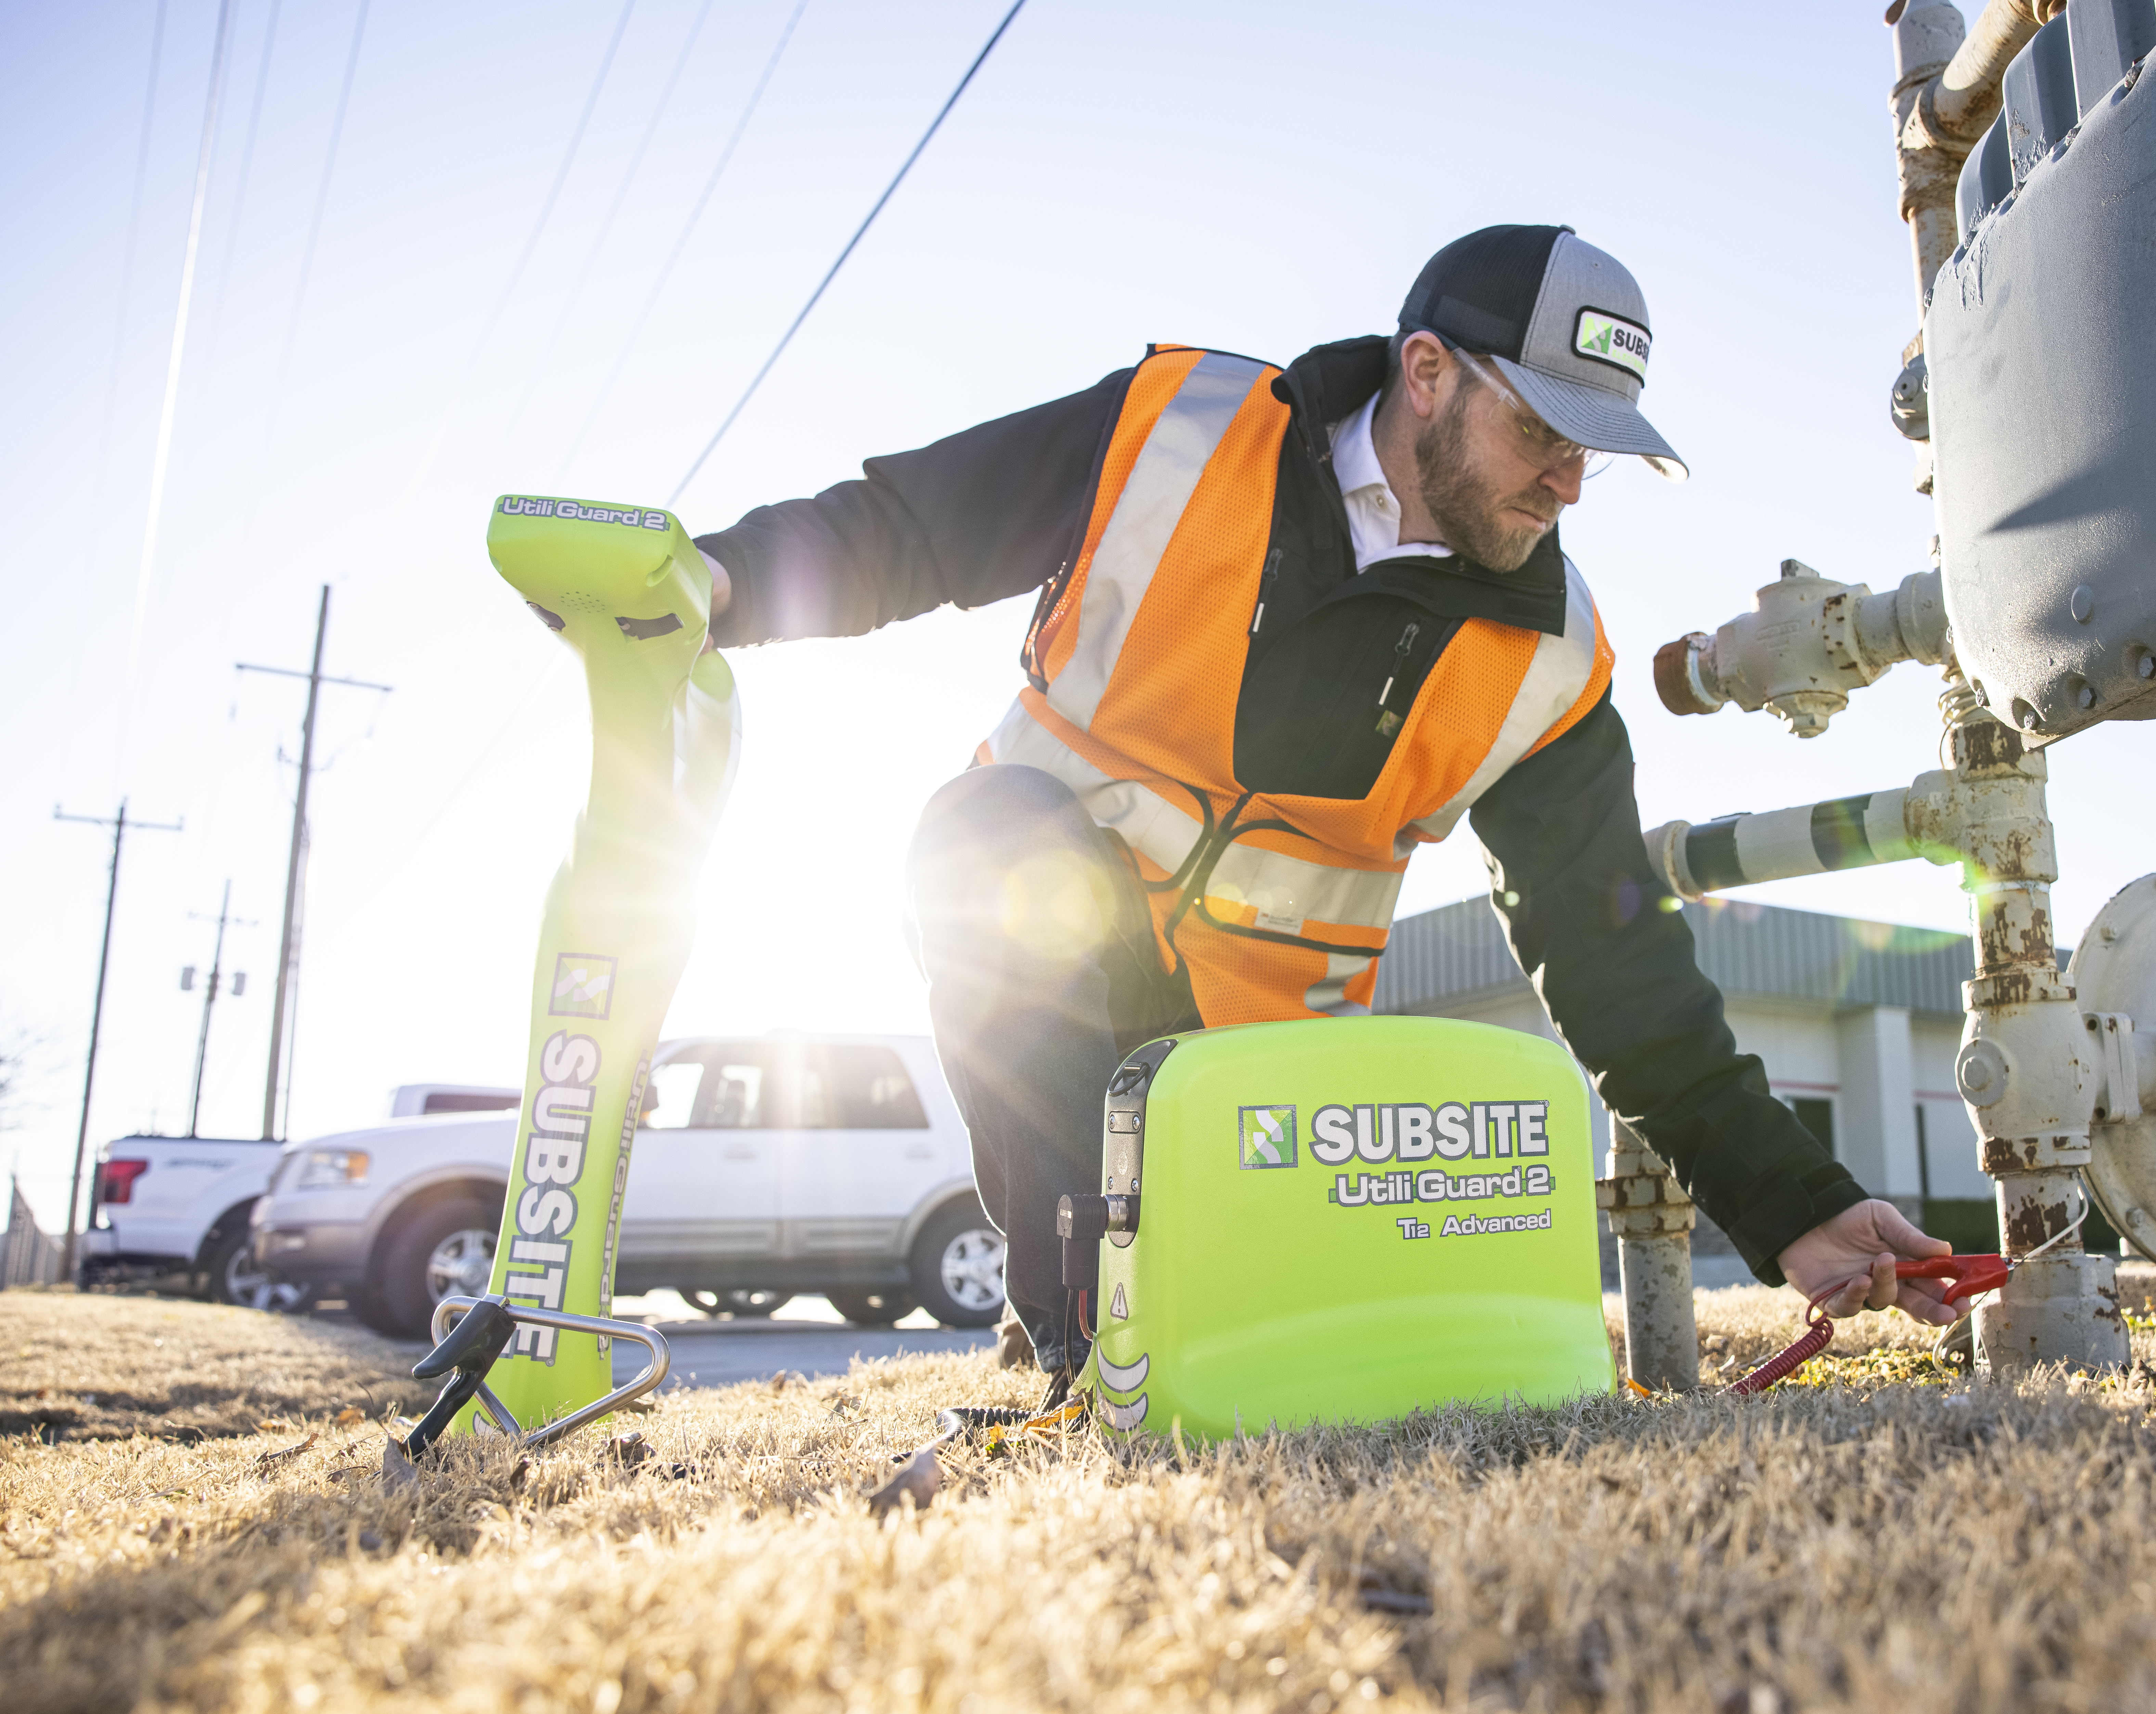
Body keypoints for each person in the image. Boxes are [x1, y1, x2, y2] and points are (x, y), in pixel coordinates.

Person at [693, 224, 1959, 1372]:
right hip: (1040, 972)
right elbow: (914, 526)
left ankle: (1135, 1324)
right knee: (984, 841)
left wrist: (1798, 1205)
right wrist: (720, 584)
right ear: (1427, 374)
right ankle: (1092, 1347)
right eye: (1541, 432)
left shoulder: (1553, 660)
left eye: (1594, 454)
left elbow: (1618, 967)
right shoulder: (1173, 430)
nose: (1569, 485)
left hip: (1272, 1107)